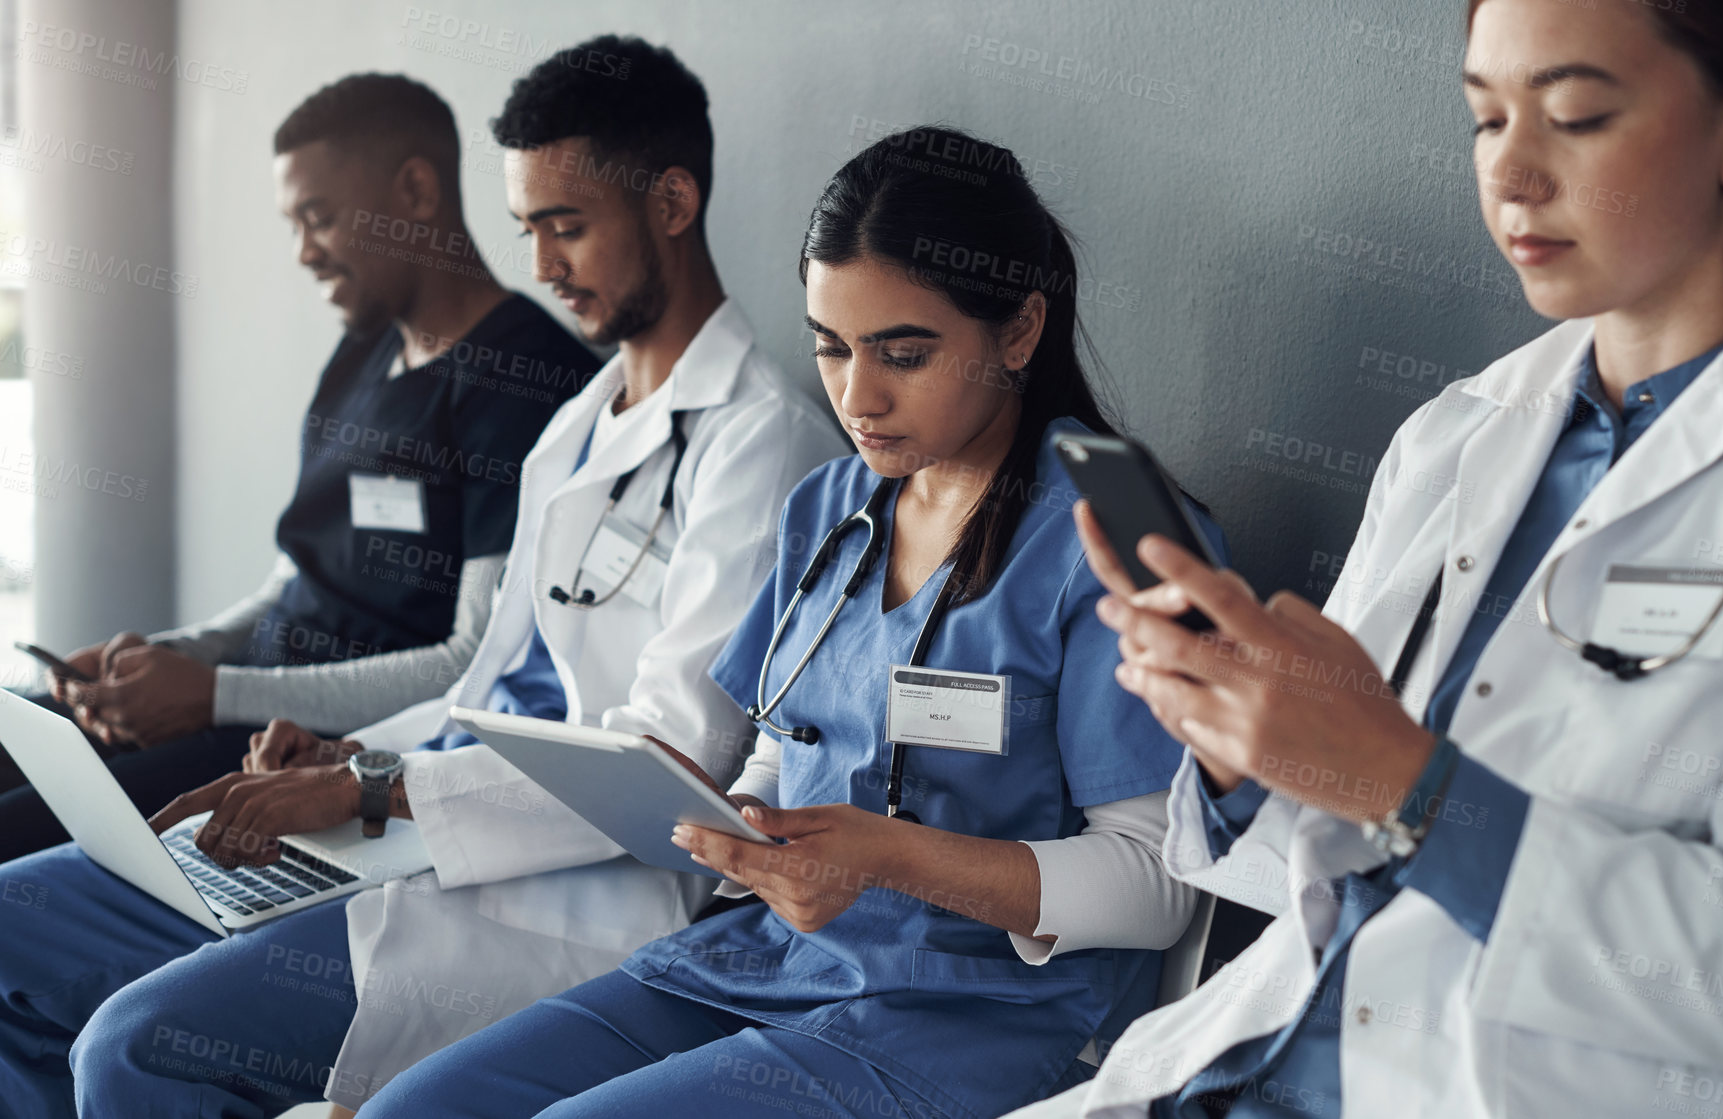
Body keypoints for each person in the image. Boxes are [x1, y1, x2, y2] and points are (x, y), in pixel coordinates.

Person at [0, 37, 841, 1118]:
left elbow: (668, 769)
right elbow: (486, 688)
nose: (541, 265)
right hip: (408, 823)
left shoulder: (761, 444)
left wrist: (371, 786)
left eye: (568, 226)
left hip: (562, 890)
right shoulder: (577, 431)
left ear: (672, 201)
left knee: (137, 1048)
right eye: (529, 226)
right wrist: (361, 749)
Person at [352, 124, 1229, 1119]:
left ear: (1020, 331)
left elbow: (1158, 892)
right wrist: (751, 829)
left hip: (979, 1015)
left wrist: (881, 856)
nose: (858, 397)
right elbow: (792, 748)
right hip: (771, 962)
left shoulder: (1114, 535)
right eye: (831, 347)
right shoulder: (831, 507)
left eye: (905, 353)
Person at [1010, 1, 1723, 1116]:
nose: (1511, 174)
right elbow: (1321, 866)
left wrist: (1410, 786)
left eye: (1574, 114)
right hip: (1250, 1062)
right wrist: (1245, 748)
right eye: (1485, 118)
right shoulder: (1459, 435)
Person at [0, 73, 594, 861]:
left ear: (415, 190)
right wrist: (160, 661)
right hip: (235, 695)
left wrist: (211, 694)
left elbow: (474, 661)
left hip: (300, 750)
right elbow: (292, 585)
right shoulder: (362, 352)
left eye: (318, 219)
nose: (305, 253)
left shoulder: (526, 384)